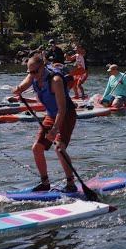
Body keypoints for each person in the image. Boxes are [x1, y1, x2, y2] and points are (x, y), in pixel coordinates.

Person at [11, 55, 80, 193]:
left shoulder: (56, 80)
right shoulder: (34, 74)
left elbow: (62, 109)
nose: (32, 75)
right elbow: (24, 84)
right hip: (51, 114)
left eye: (34, 72)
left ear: (42, 67)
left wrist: (54, 130)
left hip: (65, 114)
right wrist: (18, 89)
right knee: (37, 148)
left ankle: (71, 183)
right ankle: (45, 182)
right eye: (29, 72)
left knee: (59, 148)